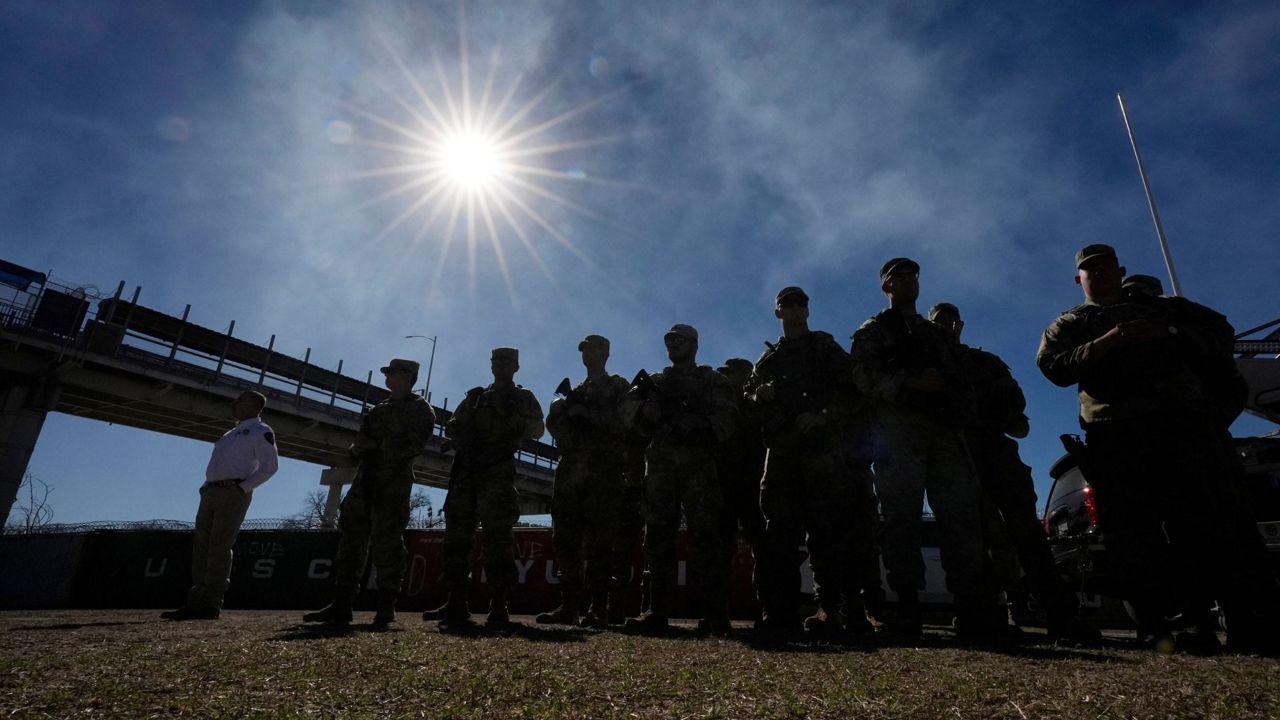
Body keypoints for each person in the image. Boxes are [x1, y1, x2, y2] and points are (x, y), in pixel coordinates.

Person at [1038, 243, 1278, 653]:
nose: (1099, 275)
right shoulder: (1072, 322)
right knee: (1134, 537)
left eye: (1106, 267)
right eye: (1089, 271)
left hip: (1184, 431)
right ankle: (1155, 625)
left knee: (1206, 526)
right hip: (1117, 436)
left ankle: (1234, 623)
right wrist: (1106, 343)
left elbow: (1221, 337)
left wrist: (1170, 334)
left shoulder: (1168, 310)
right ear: (1079, 279)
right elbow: (1053, 366)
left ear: (1121, 269)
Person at [929, 302, 1098, 644]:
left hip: (994, 449)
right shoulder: (928, 362)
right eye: (939, 320)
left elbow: (1013, 401)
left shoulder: (983, 361)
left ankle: (1059, 615)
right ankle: (979, 615)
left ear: (960, 324)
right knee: (967, 537)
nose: (946, 325)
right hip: (954, 453)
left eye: (950, 319)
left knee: (1026, 535)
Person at [849, 258, 990, 639]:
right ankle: (908, 608)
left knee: (960, 518)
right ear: (886, 287)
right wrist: (910, 384)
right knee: (901, 519)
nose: (908, 281)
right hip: (899, 430)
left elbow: (961, 380)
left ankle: (970, 609)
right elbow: (862, 377)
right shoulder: (875, 330)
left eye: (913, 276)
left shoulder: (936, 335)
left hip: (944, 431)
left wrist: (954, 404)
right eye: (899, 277)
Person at [744, 287, 865, 637]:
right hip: (781, 453)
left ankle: (831, 610)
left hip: (820, 450)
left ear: (807, 310)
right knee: (779, 533)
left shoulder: (823, 347)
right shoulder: (767, 360)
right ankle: (780, 611)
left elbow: (851, 388)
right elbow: (748, 399)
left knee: (826, 532)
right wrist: (758, 395)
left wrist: (823, 415)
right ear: (778, 313)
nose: (794, 309)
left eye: (800, 303)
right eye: (787, 304)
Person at [303, 359, 436, 627]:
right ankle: (342, 604)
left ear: (409, 377)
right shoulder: (377, 411)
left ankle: (386, 608)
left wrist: (377, 445)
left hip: (393, 483)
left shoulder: (421, 409)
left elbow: (415, 445)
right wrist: (356, 449)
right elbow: (360, 445)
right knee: (351, 543)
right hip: (364, 481)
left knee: (387, 543)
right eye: (388, 374)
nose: (389, 378)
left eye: (395, 373)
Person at [624, 324, 736, 635]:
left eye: (679, 340)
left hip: (698, 467)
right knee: (658, 538)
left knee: (705, 537)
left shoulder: (712, 380)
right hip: (660, 468)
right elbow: (626, 413)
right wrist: (646, 412)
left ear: (694, 345)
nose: (672, 344)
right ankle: (655, 610)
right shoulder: (656, 382)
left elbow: (729, 421)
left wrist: (698, 426)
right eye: (668, 340)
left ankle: (715, 613)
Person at [433, 347, 545, 632]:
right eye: (496, 360)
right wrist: (459, 434)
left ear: (516, 366)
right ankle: (456, 601)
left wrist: (511, 416)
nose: (500, 365)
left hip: (496, 473)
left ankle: (498, 605)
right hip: (466, 472)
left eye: (506, 361)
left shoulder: (522, 397)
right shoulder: (475, 396)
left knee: (498, 541)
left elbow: (537, 429)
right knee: (457, 540)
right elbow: (453, 426)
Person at [536, 335, 631, 628]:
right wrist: (558, 417)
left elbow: (624, 422)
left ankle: (598, 608)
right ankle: (569, 606)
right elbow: (558, 432)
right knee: (566, 538)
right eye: (584, 349)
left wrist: (588, 414)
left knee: (600, 540)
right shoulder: (572, 390)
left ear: (606, 352)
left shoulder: (618, 386)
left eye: (593, 348)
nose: (587, 353)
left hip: (603, 468)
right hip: (571, 468)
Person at [162, 391, 279, 620]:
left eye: (240, 401)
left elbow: (270, 466)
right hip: (212, 491)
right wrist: (206, 485)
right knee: (202, 546)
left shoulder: (260, 431)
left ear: (254, 406)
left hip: (233, 492)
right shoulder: (229, 433)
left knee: (219, 546)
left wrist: (242, 488)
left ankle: (211, 604)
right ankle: (195, 601)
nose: (233, 403)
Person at [714, 357, 767, 625]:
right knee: (721, 549)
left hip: (753, 487)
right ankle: (717, 611)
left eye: (733, 374)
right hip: (725, 486)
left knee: (762, 548)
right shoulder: (720, 407)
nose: (729, 379)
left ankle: (767, 610)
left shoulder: (757, 406)